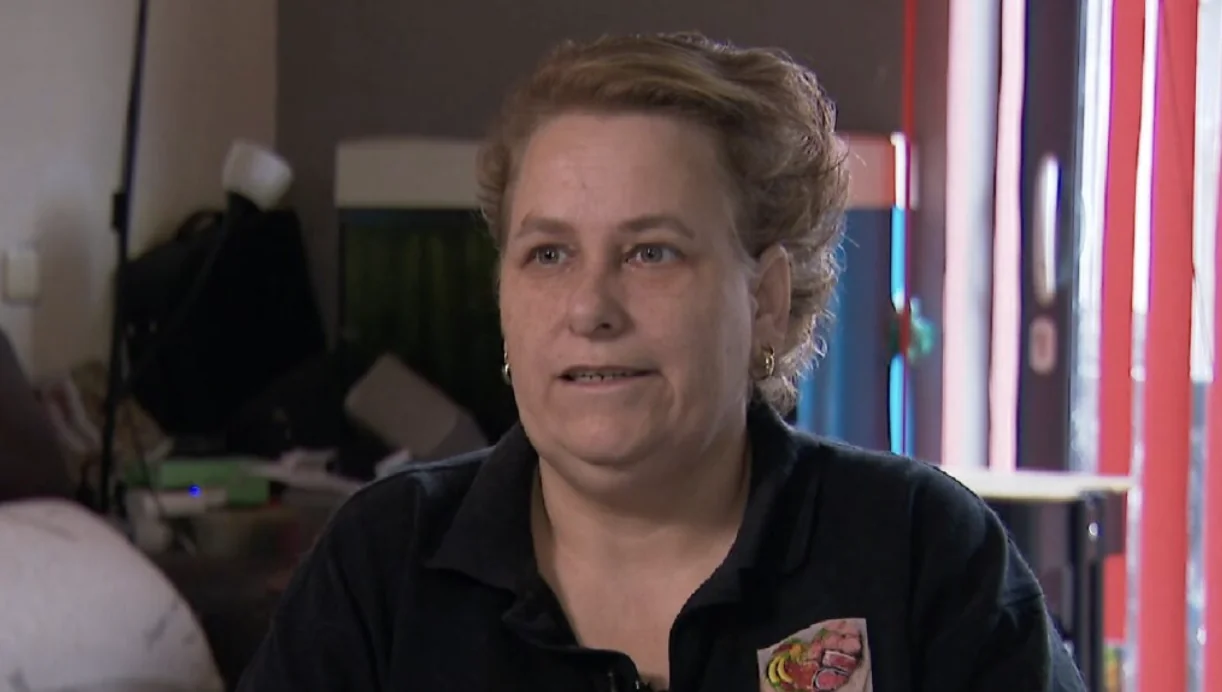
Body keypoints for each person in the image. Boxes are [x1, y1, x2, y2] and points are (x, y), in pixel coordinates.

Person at [238, 32, 1084, 691]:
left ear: (766, 299)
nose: (590, 309)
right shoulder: (382, 567)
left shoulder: (920, 555)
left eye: (651, 253)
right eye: (548, 255)